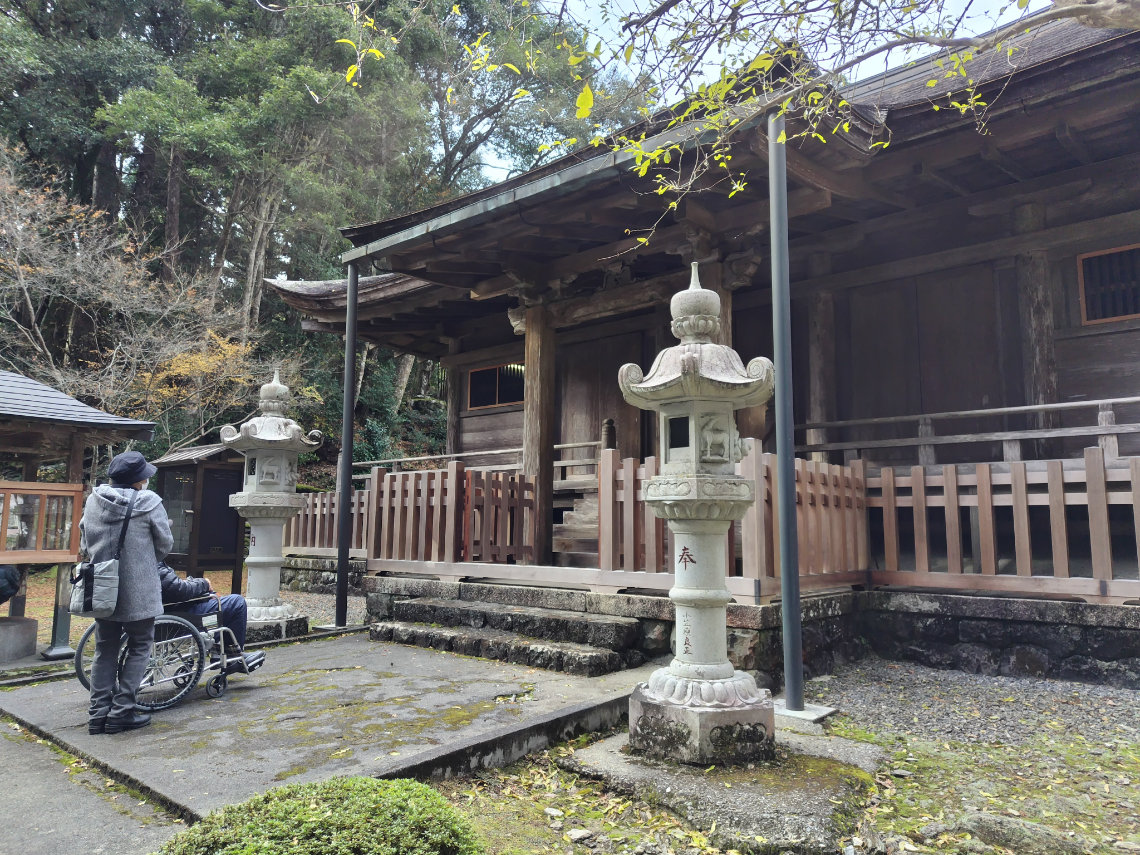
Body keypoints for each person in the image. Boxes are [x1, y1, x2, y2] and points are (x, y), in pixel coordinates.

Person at [80, 450, 171, 735]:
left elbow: (84, 540)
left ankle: (98, 715)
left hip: (102, 586)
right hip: (139, 587)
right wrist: (142, 561)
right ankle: (122, 712)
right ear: (137, 480)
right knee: (140, 645)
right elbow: (165, 544)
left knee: (104, 648)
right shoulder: (149, 502)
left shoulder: (93, 501)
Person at [157, 562, 265, 674]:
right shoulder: (154, 561)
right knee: (237, 603)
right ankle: (232, 657)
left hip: (166, 613)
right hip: (180, 616)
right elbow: (178, 590)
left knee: (215, 600)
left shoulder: (148, 562)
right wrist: (204, 583)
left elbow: (171, 586)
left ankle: (221, 652)